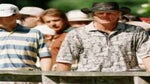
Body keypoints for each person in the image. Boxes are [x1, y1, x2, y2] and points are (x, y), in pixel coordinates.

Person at [56, 1, 150, 73]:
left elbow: (148, 56)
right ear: (93, 15)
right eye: (100, 13)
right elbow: (64, 60)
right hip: (88, 81)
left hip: (126, 80)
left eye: (110, 13)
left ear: (119, 15)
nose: (105, 16)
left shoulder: (136, 31)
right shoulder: (76, 34)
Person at [0, 3, 51, 71]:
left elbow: (45, 57)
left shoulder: (34, 33)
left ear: (17, 16)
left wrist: (46, 78)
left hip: (28, 79)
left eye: (4, 16)